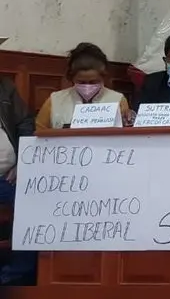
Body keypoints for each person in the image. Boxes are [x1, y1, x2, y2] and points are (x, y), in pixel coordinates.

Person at [35, 43, 132, 130]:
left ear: (103, 78)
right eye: (81, 82)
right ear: (71, 78)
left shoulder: (118, 100)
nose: (87, 86)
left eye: (93, 82)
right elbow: (39, 132)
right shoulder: (55, 100)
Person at [0, 78, 35, 285]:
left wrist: (23, 163)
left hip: (8, 175)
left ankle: (17, 274)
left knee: (32, 203)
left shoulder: (5, 88)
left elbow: (25, 124)